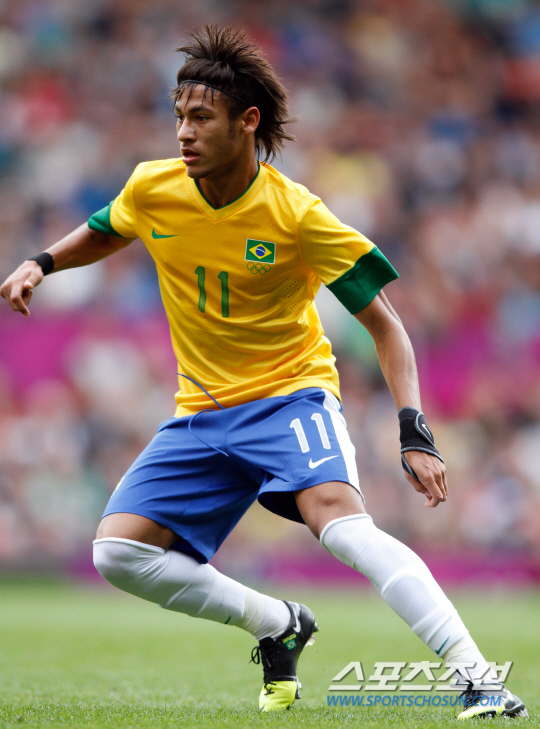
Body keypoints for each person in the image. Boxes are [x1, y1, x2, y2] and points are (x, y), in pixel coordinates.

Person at [0, 25, 527, 720]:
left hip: (289, 399)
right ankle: (278, 623)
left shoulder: (298, 215)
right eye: (179, 116)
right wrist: (43, 261)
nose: (183, 133)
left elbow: (387, 327)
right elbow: (108, 226)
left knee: (343, 528)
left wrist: (414, 429)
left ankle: (479, 679)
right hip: (201, 411)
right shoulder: (154, 185)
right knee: (117, 554)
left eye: (201, 117)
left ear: (247, 121)